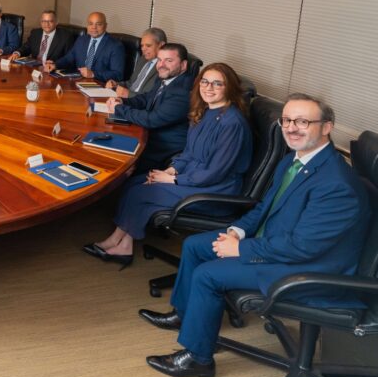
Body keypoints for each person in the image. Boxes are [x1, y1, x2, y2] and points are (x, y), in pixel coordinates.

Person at [139, 95, 369, 377]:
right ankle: (187, 317)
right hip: (279, 246)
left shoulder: (336, 184)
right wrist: (237, 231)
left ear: (327, 127)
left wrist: (241, 249)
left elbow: (303, 247)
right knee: (195, 245)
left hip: (308, 270)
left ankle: (199, 359)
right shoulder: (293, 160)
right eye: (287, 120)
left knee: (208, 275)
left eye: (302, 121)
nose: (291, 128)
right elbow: (264, 208)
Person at [84, 63, 252, 267]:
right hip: (193, 176)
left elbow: (215, 172)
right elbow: (189, 152)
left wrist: (173, 179)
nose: (209, 88)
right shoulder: (204, 111)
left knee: (142, 192)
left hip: (215, 189)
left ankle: (119, 243)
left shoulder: (232, 123)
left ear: (229, 88)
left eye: (217, 83)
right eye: (205, 82)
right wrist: (171, 169)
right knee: (136, 182)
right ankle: (122, 243)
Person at [103, 43, 193, 173]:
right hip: (148, 136)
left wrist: (119, 109)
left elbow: (151, 120)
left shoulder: (183, 91)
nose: (161, 65)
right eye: (159, 60)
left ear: (183, 65)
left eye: (169, 61)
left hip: (162, 149)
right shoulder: (165, 77)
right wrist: (123, 101)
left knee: (112, 163)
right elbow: (146, 98)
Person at [53, 11, 125, 82]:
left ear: (105, 26)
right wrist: (55, 65)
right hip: (78, 81)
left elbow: (118, 74)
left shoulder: (115, 46)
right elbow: (68, 58)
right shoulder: (82, 39)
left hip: (99, 84)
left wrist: (93, 74)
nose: (94, 27)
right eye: (90, 24)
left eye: (98, 24)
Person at [105, 27, 167, 99]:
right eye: (142, 45)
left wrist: (129, 94)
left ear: (161, 45)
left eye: (148, 45)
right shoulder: (143, 59)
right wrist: (116, 84)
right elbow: (131, 83)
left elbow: (151, 98)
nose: (143, 49)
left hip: (137, 102)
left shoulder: (164, 68)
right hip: (124, 98)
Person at [9, 10, 74, 66]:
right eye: (44, 21)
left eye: (50, 21)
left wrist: (56, 64)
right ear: (41, 22)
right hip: (35, 67)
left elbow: (69, 58)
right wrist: (17, 53)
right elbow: (27, 47)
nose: (47, 24)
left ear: (56, 22)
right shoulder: (35, 33)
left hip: (51, 69)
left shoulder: (65, 37)